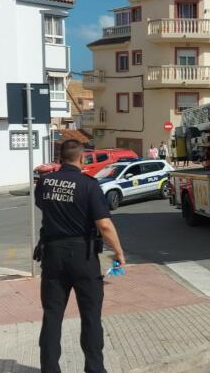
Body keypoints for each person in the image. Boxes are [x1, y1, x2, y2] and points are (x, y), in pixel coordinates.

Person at [35, 139, 125, 373]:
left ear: (60, 158)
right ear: (82, 158)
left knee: (52, 315)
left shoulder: (44, 183)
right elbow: (104, 225)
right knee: (91, 316)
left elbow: (43, 207)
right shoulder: (89, 185)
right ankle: (95, 369)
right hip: (83, 256)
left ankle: (50, 369)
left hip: (53, 254)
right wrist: (118, 252)